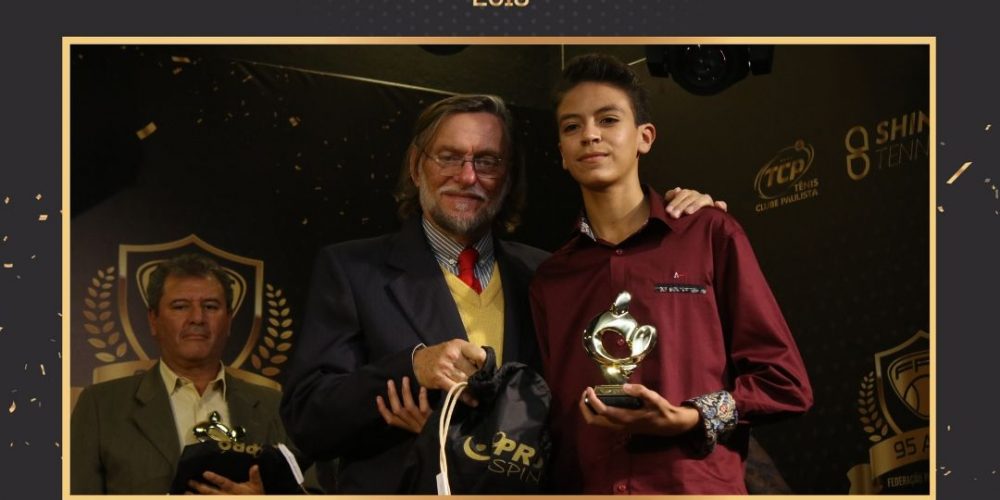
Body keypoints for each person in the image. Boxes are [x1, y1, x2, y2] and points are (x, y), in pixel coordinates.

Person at [279, 93, 721, 493]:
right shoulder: (353, 270)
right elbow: (307, 417)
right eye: (449, 157)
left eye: (487, 162)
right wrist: (413, 367)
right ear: (416, 166)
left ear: (508, 178)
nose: (467, 176)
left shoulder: (549, 274)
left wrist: (688, 221)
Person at [528, 54, 813, 494]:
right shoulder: (551, 279)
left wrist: (692, 416)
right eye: (572, 126)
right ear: (562, 153)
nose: (590, 134)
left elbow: (785, 383)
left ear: (644, 137)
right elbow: (557, 423)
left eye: (608, 119)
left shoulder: (708, 233)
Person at [71, 253, 298, 495]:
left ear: (229, 320)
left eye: (210, 306)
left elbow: (314, 491)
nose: (197, 318)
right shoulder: (100, 407)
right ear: (153, 320)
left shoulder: (275, 408)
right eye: (180, 306)